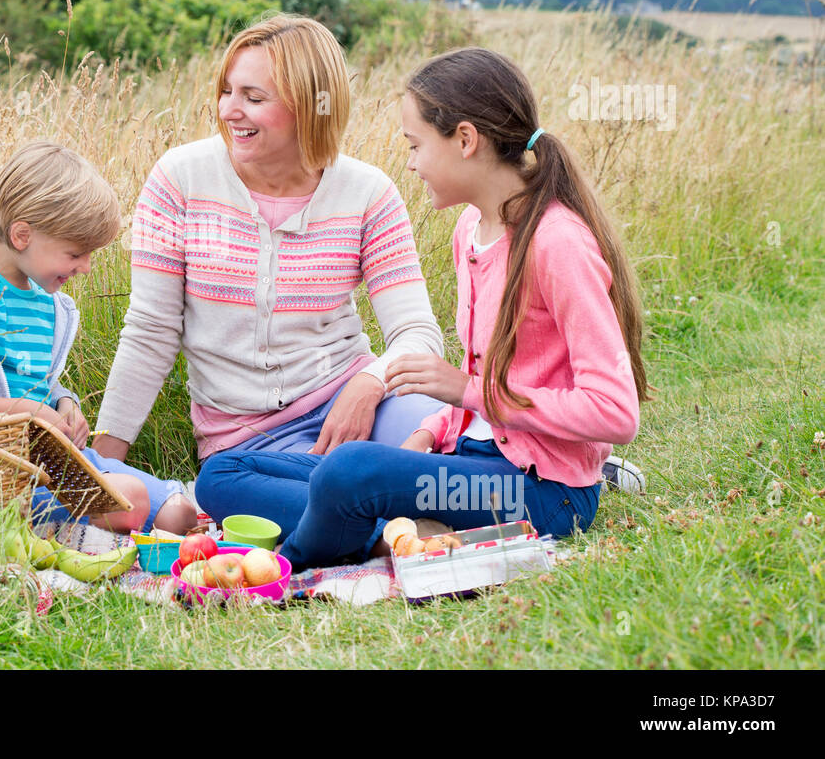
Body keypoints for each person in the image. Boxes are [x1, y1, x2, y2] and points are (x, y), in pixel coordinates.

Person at [216, 47, 650, 571]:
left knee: (349, 470)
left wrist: (466, 390)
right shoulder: (472, 228)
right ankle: (396, 535)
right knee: (223, 473)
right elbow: (480, 388)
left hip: (543, 494)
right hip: (468, 465)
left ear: (465, 140)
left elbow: (615, 412)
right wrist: (429, 432)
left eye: (416, 145)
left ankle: (280, 572)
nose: (411, 162)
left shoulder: (556, 243)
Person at [90, 14, 445, 516]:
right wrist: (103, 469)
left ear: (309, 106)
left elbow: (417, 333)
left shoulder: (368, 193)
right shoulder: (179, 179)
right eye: (227, 91)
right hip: (248, 445)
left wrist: (372, 383)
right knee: (237, 487)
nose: (230, 110)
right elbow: (150, 331)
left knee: (438, 429)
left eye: (254, 97)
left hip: (357, 408)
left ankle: (380, 507)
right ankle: (383, 513)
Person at [0, 141, 198, 534]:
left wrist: (64, 403)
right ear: (23, 235)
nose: (86, 268)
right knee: (131, 500)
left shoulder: (46, 301)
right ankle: (70, 529)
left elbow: (38, 378)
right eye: (76, 253)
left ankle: (86, 524)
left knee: (178, 512)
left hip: (55, 461)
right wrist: (24, 413)